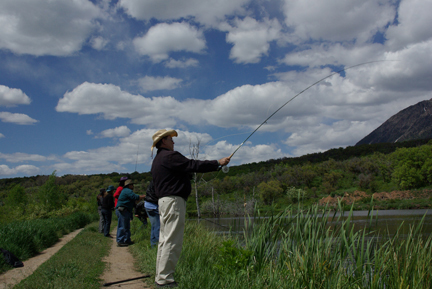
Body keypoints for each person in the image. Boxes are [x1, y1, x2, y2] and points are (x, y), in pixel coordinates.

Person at [151, 129, 230, 287]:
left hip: (165, 202)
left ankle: (161, 276)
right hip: (173, 202)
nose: (173, 142)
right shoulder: (169, 156)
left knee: (165, 240)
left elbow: (184, 170)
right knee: (172, 241)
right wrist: (217, 163)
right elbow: (192, 165)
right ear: (163, 142)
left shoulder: (159, 159)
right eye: (170, 139)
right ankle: (165, 280)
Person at [115, 179, 145, 247]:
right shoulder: (127, 191)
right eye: (132, 185)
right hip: (124, 210)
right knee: (122, 226)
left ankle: (126, 240)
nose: (133, 186)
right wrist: (143, 196)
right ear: (129, 185)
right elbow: (135, 197)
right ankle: (120, 241)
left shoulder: (125, 190)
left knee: (126, 226)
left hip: (125, 210)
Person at [144, 180, 160, 248]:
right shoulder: (158, 182)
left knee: (154, 226)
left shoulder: (153, 181)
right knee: (158, 227)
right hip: (153, 206)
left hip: (148, 204)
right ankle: (159, 245)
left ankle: (153, 245)